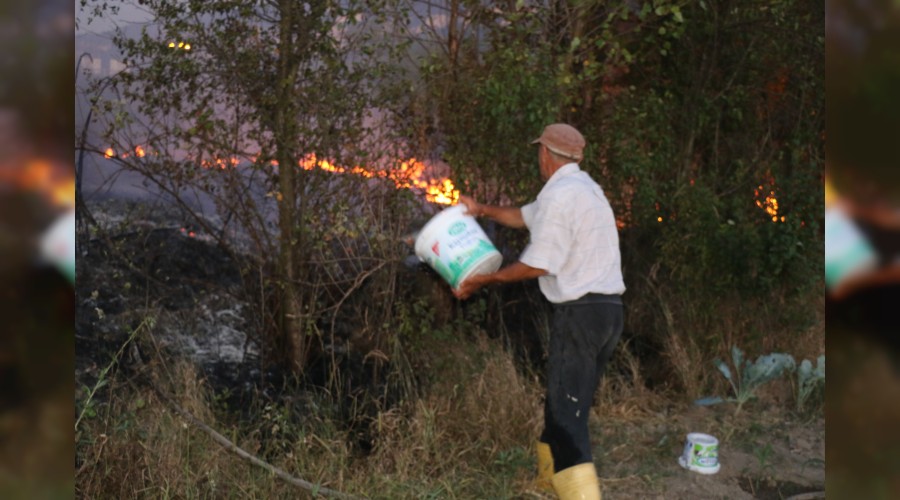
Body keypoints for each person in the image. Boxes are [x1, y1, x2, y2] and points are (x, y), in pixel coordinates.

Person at [454, 123, 625, 500]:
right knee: (563, 399)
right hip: (608, 312)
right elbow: (523, 216)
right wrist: (481, 209)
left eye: (538, 153)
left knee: (568, 415)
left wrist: (484, 280)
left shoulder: (561, 195)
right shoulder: (584, 189)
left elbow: (538, 265)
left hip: (581, 312)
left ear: (545, 154)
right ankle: (548, 483)